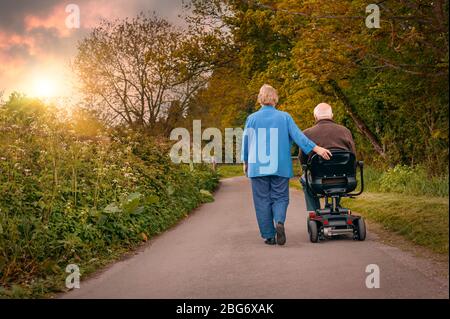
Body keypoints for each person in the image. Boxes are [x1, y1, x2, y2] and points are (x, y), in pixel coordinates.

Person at [241, 85, 332, 246]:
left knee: (262, 200)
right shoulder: (284, 117)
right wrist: (317, 149)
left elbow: (246, 142)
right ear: (275, 98)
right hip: (280, 165)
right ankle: (280, 222)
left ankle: (269, 236)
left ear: (260, 99)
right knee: (280, 197)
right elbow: (299, 137)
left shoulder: (252, 119)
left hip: (258, 166)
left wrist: (245, 161)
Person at [299, 103, 356, 213]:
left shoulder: (307, 133)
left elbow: (302, 159)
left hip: (318, 181)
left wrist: (306, 169)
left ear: (315, 117)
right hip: (344, 180)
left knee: (304, 179)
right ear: (332, 115)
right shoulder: (345, 131)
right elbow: (353, 156)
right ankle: (336, 203)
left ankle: (314, 211)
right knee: (340, 172)